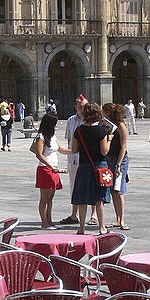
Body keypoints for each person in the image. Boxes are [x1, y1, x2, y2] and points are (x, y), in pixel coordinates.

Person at [71, 103, 112, 235]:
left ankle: (81, 228)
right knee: (99, 199)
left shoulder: (78, 130)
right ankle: (102, 228)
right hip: (99, 166)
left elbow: (74, 149)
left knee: (82, 199)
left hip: (83, 167)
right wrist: (109, 140)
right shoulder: (101, 131)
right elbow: (104, 151)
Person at [32, 113, 71, 229]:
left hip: (54, 169)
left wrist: (74, 150)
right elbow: (39, 154)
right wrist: (50, 165)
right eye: (54, 123)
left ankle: (49, 221)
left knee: (50, 197)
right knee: (44, 198)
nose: (56, 125)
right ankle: (44, 223)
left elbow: (61, 149)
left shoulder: (53, 136)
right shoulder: (41, 136)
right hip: (45, 168)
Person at [59, 95, 86, 225]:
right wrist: (70, 155)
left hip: (86, 159)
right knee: (73, 187)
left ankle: (93, 215)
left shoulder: (90, 120)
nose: (83, 109)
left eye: (84, 106)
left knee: (90, 186)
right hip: (73, 160)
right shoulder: (70, 120)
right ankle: (74, 214)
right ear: (76, 106)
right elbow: (69, 140)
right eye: (80, 106)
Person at [103, 103, 129, 229]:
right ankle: (117, 219)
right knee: (113, 190)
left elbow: (123, 146)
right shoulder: (108, 125)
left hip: (120, 160)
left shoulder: (121, 126)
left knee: (119, 190)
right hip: (109, 158)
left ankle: (122, 219)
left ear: (108, 112)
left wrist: (119, 164)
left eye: (104, 111)